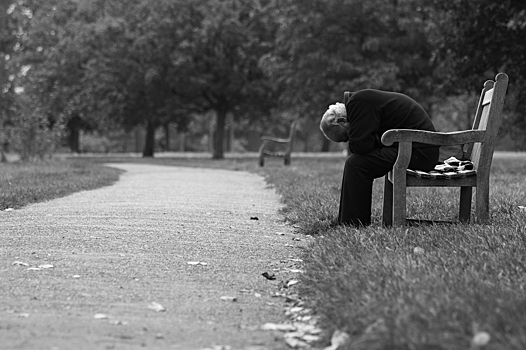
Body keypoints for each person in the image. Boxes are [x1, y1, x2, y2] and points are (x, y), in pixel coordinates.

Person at [320, 89, 440, 227]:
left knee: (357, 164)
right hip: (409, 146)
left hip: (419, 151)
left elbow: (361, 146)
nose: (349, 140)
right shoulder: (359, 103)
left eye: (345, 136)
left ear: (341, 120)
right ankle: (347, 221)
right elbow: (364, 144)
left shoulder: (358, 103)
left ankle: (354, 223)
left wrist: (368, 140)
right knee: (355, 162)